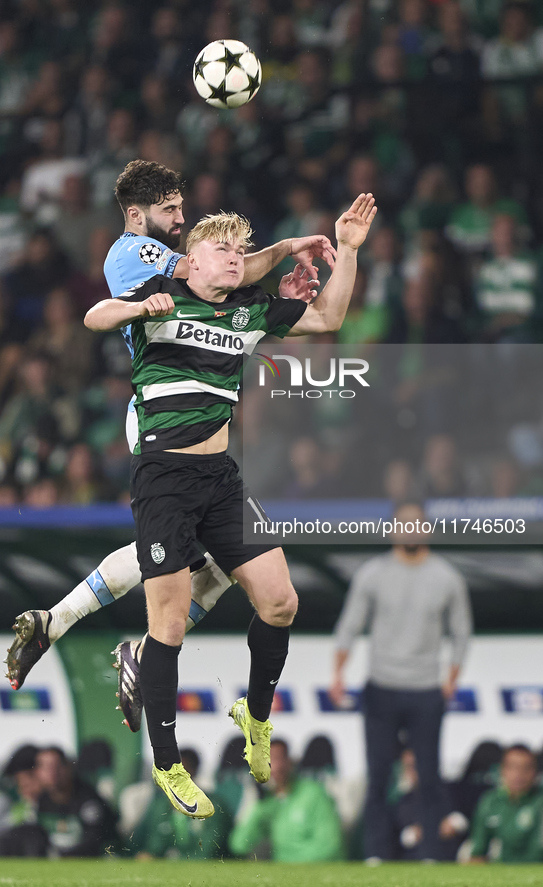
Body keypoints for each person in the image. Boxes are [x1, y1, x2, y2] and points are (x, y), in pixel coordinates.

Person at [5, 159, 337, 735]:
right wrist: (282, 249)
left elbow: (227, 279)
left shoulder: (156, 254)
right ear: (137, 215)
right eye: (171, 210)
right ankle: (97, 635)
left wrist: (278, 262)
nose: (182, 219)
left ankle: (58, 622)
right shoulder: (134, 253)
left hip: (176, 406)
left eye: (182, 208)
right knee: (184, 546)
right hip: (163, 415)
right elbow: (218, 274)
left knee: (208, 556)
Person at [83, 194, 377, 818]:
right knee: (167, 623)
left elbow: (327, 320)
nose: (235, 259)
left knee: (280, 601)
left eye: (241, 252)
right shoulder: (163, 291)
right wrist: (140, 306)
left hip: (220, 478)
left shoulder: (248, 309)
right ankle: (168, 764)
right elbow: (94, 316)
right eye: (222, 249)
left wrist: (346, 250)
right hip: (163, 475)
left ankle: (256, 714)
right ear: (190, 263)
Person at [329, 501, 472, 861]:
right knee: (378, 776)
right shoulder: (373, 574)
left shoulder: (446, 577)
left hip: (426, 689)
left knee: (428, 775)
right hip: (382, 686)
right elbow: (349, 626)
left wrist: (451, 679)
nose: (410, 530)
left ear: (427, 530)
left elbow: (461, 633)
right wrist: (337, 674)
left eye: (417, 524)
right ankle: (376, 855)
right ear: (392, 530)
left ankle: (430, 854)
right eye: (403, 524)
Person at [229, 739, 343, 861]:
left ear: (289, 763)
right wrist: (259, 807)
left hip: (312, 870)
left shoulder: (313, 794)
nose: (271, 766)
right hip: (283, 872)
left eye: (276, 758)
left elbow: (330, 846)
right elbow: (239, 845)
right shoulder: (266, 803)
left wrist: (288, 863)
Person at [134, 747, 233, 859]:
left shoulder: (212, 805)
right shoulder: (159, 805)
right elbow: (151, 846)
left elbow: (209, 850)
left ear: (193, 771)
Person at [34, 746, 117, 857]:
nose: (52, 773)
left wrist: (59, 856)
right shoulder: (43, 800)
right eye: (45, 767)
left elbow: (94, 843)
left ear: (67, 767)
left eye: (56, 766)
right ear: (38, 772)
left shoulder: (88, 799)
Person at [469, 744, 543, 863]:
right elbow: (478, 853)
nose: (519, 774)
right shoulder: (490, 801)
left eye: (526, 768)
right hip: (499, 873)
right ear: (502, 770)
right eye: (512, 767)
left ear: (535, 772)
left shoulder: (539, 801)